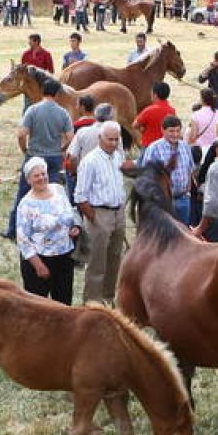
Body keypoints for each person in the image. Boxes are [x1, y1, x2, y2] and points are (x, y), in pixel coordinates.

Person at [3, 79, 73, 239]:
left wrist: (24, 149)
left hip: (34, 155)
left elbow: (21, 134)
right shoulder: (63, 113)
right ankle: (53, 229)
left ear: (43, 92)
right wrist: (61, 149)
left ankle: (13, 229)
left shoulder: (33, 110)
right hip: (54, 157)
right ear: (57, 94)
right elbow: (70, 136)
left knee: (23, 193)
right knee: (53, 194)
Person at [15, 156, 80, 305]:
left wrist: (74, 227)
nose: (41, 178)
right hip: (40, 260)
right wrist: (39, 265)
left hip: (64, 257)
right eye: (36, 175)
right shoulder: (26, 205)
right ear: (28, 180)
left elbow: (71, 211)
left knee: (64, 305)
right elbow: (23, 240)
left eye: (43, 174)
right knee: (38, 309)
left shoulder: (59, 189)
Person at [74, 122, 126, 304]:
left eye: (116, 139)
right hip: (99, 213)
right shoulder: (90, 161)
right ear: (100, 139)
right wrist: (94, 218)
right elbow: (80, 196)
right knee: (97, 262)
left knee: (115, 258)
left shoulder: (118, 156)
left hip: (118, 212)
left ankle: (108, 297)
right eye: (109, 139)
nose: (113, 143)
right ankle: (92, 302)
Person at [139, 115, 195, 223]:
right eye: (171, 131)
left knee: (184, 233)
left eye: (178, 131)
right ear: (162, 130)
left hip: (183, 200)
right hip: (164, 202)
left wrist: (187, 189)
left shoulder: (185, 147)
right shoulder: (154, 149)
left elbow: (190, 169)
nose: (175, 134)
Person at [186, 88, 218, 160]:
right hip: (216, 150)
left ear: (202, 100)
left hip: (200, 150)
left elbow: (193, 137)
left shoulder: (196, 115)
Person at [132, 82, 176, 148]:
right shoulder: (172, 111)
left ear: (155, 95)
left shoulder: (148, 110)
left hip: (149, 146)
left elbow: (135, 125)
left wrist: (142, 130)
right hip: (165, 147)